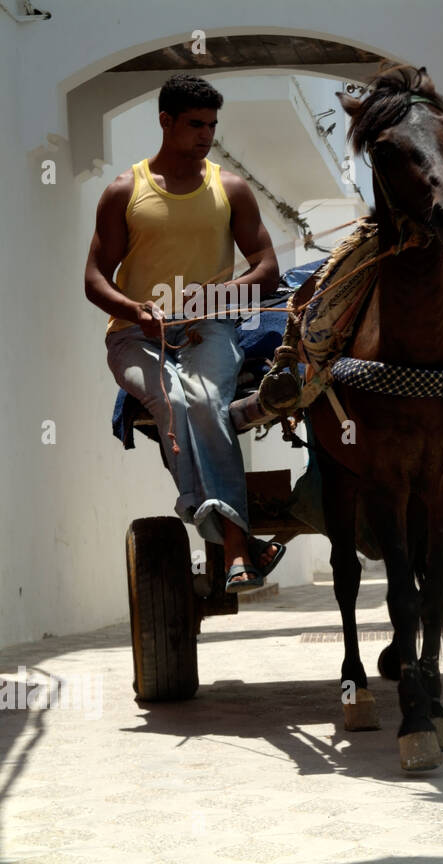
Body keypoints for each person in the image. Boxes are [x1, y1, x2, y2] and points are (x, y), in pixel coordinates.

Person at [85, 74, 286, 593]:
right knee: (170, 399)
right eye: (196, 124)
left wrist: (215, 299)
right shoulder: (124, 192)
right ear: (165, 121)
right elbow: (93, 279)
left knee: (202, 401)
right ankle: (240, 545)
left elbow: (267, 270)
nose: (206, 134)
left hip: (210, 330)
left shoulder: (231, 189)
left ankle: (226, 542)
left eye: (212, 125)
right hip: (134, 338)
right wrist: (134, 309)